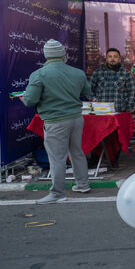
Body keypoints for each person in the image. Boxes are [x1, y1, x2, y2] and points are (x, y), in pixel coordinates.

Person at [21, 40, 91, 204]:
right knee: (77, 152)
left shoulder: (39, 75)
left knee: (57, 158)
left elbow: (30, 100)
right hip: (76, 118)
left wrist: (23, 97)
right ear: (63, 55)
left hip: (55, 121)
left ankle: (57, 193)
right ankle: (83, 184)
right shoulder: (78, 73)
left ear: (46, 56)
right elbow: (86, 92)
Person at [90, 48, 135, 113]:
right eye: (110, 57)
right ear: (106, 59)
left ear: (119, 59)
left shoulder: (126, 73)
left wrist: (128, 107)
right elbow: (88, 89)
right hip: (100, 111)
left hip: (120, 112)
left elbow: (133, 92)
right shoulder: (97, 73)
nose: (112, 59)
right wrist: (93, 98)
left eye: (115, 57)